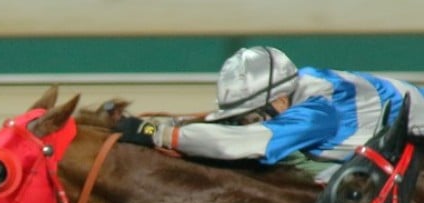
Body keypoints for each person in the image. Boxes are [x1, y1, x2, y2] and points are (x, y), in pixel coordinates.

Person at [115, 46, 424, 179]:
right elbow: (227, 125)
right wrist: (168, 123)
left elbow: (236, 143)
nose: (245, 122)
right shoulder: (293, 88)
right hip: (389, 154)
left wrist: (158, 134)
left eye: (251, 114)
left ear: (278, 102)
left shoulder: (317, 112)